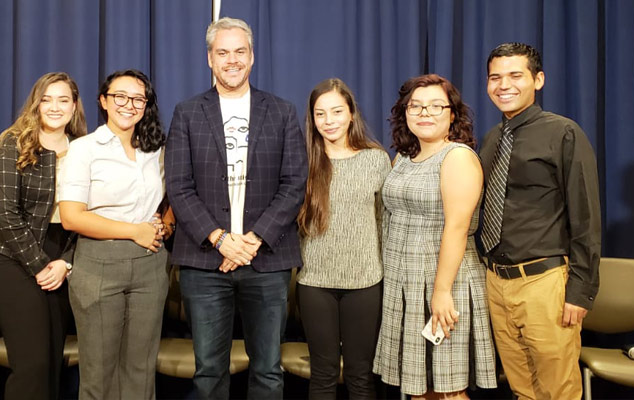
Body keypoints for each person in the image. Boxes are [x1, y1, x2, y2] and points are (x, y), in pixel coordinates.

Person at [164, 17, 307, 400]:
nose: (232, 60)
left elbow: (294, 184)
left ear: (252, 56)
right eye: (222, 52)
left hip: (266, 261)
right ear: (209, 59)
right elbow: (178, 186)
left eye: (239, 51)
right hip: (205, 261)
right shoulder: (188, 113)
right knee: (209, 371)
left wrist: (252, 240)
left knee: (268, 370)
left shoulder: (281, 111)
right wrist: (221, 239)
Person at [478, 42, 601, 400]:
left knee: (558, 391)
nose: (504, 85)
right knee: (522, 390)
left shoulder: (564, 133)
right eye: (495, 77)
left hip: (545, 283)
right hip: (497, 282)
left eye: (515, 75)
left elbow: (586, 216)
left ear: (539, 79)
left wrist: (580, 291)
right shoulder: (491, 140)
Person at [373, 74, 497, 399]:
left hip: (444, 283)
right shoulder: (402, 158)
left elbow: (457, 227)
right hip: (405, 284)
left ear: (452, 114)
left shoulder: (457, 157)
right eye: (415, 106)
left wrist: (442, 292)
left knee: (448, 391)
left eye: (435, 106)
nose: (424, 113)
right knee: (420, 389)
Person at [58, 69, 171, 400]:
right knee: (99, 372)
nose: (129, 104)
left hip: (150, 265)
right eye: (120, 96)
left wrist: (167, 222)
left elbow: (174, 195)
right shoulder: (84, 149)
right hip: (99, 263)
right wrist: (134, 231)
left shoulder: (155, 149)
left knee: (141, 371)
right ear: (103, 101)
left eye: (138, 98)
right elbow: (71, 217)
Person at [0, 72, 87, 400]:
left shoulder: (86, 149)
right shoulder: (12, 143)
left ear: (74, 107)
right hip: (12, 261)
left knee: (53, 362)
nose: (55, 107)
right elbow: (6, 215)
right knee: (34, 365)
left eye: (63, 100)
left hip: (61, 259)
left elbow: (93, 216)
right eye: (47, 99)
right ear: (36, 104)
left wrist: (65, 264)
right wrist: (42, 265)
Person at [295, 78, 389, 399]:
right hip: (315, 282)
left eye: (336, 111)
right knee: (322, 374)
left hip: (364, 282)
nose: (329, 120)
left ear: (351, 114)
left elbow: (383, 221)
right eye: (320, 114)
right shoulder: (303, 161)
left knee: (360, 376)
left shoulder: (375, 160)